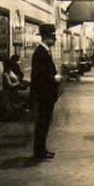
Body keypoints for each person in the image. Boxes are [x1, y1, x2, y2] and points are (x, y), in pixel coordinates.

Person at [29, 23, 61, 161]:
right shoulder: (40, 53)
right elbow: (39, 76)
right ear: (46, 37)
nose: (55, 40)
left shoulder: (44, 51)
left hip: (46, 95)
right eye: (53, 37)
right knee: (42, 123)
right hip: (44, 96)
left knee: (44, 123)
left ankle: (41, 150)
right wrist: (54, 78)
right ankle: (39, 152)